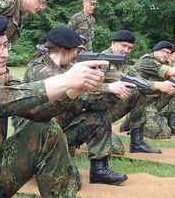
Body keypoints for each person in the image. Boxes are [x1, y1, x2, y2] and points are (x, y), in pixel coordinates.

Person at [0, 12, 107, 197]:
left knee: (46, 130)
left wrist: (75, 88)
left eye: (5, 45)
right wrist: (65, 80)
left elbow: (38, 111)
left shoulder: (0, 77)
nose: (5, 53)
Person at [13, 26, 129, 186]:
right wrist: (108, 87)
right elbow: (68, 87)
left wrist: (114, 95)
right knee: (72, 183)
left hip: (60, 128)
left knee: (100, 116)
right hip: (37, 135)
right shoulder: (38, 68)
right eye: (76, 50)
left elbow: (87, 100)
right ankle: (37, 164)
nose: (78, 55)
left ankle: (99, 170)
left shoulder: (68, 68)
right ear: (64, 49)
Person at [103, 31, 175, 144]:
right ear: (113, 43)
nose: (126, 50)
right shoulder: (103, 61)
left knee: (139, 95)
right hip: (93, 112)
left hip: (109, 108)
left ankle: (137, 143)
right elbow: (124, 79)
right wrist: (157, 85)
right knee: (115, 150)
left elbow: (138, 79)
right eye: (123, 45)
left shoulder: (121, 62)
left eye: (129, 48)